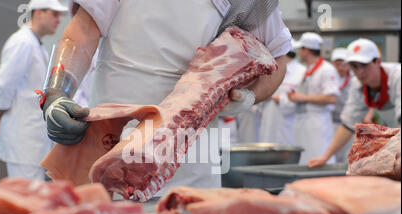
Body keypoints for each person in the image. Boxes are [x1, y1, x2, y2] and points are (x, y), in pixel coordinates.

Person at [40, 0, 292, 196]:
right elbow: (83, 31)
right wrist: (57, 92)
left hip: (192, 155)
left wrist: (249, 96)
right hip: (113, 141)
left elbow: (278, 57)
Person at [0, 0, 68, 180]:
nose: (58, 20)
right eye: (54, 14)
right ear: (38, 13)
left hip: (32, 137)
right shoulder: (23, 43)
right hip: (23, 138)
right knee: (27, 199)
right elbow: (4, 84)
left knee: (33, 197)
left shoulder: (36, 45)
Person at [309, 38, 401, 168]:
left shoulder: (397, 76)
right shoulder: (358, 84)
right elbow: (348, 125)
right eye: (354, 66)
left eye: (364, 65)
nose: (359, 72)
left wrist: (388, 156)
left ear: (378, 62)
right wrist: (325, 157)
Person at [288, 32, 340, 164]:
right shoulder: (308, 69)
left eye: (301, 49)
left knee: (319, 156)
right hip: (304, 122)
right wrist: (295, 97)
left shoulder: (327, 70)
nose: (299, 52)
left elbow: (332, 98)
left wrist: (302, 97)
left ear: (306, 50)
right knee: (306, 159)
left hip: (318, 122)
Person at [258, 39, 306, 145]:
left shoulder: (302, 72)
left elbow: (298, 100)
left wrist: (275, 98)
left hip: (289, 124)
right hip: (268, 120)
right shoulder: (271, 68)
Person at [330, 47, 353, 163]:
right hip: (330, 122)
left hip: (349, 124)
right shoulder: (329, 77)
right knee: (332, 153)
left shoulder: (354, 79)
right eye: (337, 64)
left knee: (348, 154)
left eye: (343, 64)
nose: (340, 68)